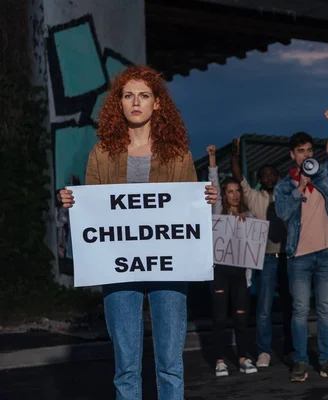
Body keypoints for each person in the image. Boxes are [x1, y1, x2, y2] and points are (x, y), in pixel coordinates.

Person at [59, 65, 218, 399]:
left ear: (157, 104)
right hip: (119, 270)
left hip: (170, 269)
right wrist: (73, 202)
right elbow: (94, 211)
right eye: (128, 95)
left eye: (144, 95)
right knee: (126, 369)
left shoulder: (178, 155)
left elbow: (190, 211)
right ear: (119, 103)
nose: (136, 102)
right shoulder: (101, 154)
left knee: (170, 366)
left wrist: (207, 199)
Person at [274, 109, 328, 382]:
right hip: (299, 257)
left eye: (309, 150)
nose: (306, 155)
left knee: (326, 310)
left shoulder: (325, 175)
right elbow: (282, 213)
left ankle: (327, 361)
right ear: (292, 155)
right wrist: (299, 187)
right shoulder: (283, 186)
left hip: (327, 253)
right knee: (300, 311)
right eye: (301, 151)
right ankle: (301, 362)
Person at [230, 138, 293, 368]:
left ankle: (290, 349)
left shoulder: (287, 197)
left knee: (291, 306)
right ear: (259, 180)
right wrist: (234, 156)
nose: (268, 178)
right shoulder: (253, 197)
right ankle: (264, 351)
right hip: (266, 260)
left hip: (288, 259)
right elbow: (238, 177)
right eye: (264, 175)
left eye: (272, 174)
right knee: (264, 309)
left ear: (278, 177)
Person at [207, 145, 258, 377]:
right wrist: (212, 161)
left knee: (240, 317)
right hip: (220, 271)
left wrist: (248, 278)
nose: (235, 195)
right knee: (219, 319)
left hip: (240, 274)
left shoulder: (251, 217)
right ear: (224, 195)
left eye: (237, 191)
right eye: (230, 191)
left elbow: (253, 246)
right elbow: (213, 187)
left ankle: (244, 357)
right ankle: (219, 360)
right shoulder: (218, 215)